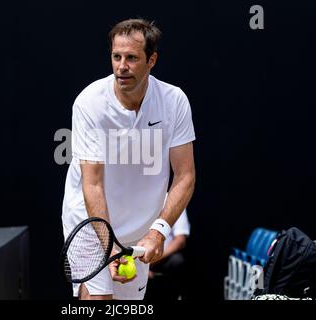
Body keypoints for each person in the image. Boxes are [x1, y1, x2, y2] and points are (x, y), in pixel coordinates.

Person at [61, 18, 196, 300]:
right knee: (99, 301)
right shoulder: (89, 103)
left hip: (140, 230)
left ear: (152, 60)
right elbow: (93, 184)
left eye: (132, 58)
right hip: (89, 222)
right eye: (116, 57)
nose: (122, 66)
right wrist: (109, 246)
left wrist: (158, 231)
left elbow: (185, 176)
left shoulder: (174, 101)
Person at [146, 208, 191, 300]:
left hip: (160, 258)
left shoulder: (175, 201)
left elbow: (180, 240)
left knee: (177, 260)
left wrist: (150, 261)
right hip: (136, 258)